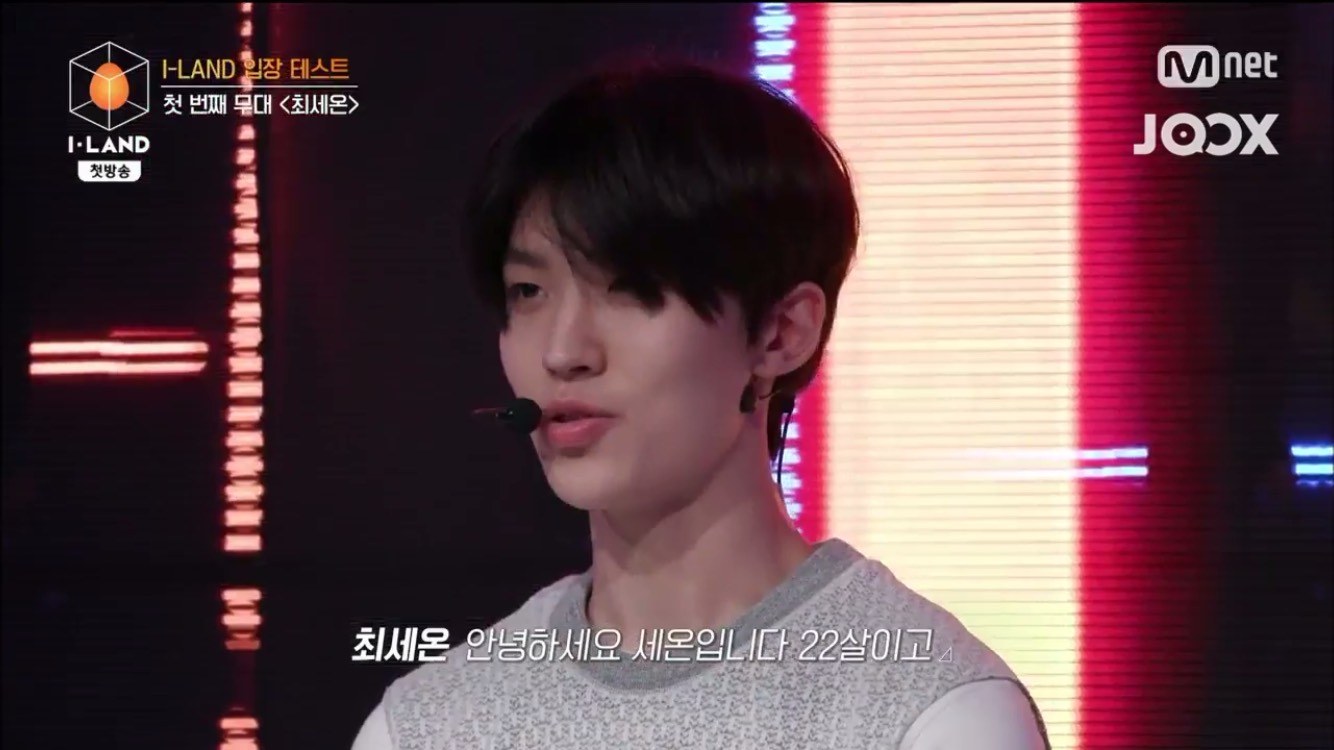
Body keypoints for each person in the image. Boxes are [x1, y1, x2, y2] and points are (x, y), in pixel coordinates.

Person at [352, 60, 1049, 750]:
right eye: (528, 292)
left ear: (781, 334)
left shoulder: (931, 712)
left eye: (631, 288)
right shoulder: (427, 726)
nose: (563, 351)